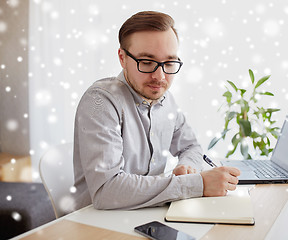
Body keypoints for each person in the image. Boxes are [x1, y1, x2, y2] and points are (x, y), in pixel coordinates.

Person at [73, 11, 240, 211]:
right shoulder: (100, 102)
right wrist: (198, 184)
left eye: (169, 63)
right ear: (122, 58)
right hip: (96, 224)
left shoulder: (165, 99)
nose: (159, 76)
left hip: (148, 215)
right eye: (147, 62)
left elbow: (191, 147)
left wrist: (187, 168)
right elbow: (107, 191)